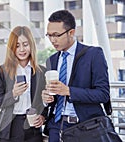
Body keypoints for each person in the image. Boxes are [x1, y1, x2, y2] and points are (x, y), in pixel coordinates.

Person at [41, 10, 110, 142]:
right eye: (49, 35)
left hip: (84, 127)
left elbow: (103, 94)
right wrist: (46, 98)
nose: (52, 40)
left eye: (56, 35)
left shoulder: (93, 55)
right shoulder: (52, 60)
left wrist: (68, 91)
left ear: (71, 32)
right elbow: (53, 96)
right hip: (56, 127)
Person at [0, 26, 47, 142]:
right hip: (10, 128)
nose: (22, 49)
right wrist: (13, 94)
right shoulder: (2, 71)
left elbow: (45, 102)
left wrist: (43, 116)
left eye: (25, 44)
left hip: (32, 127)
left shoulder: (41, 72)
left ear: (31, 45)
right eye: (17, 46)